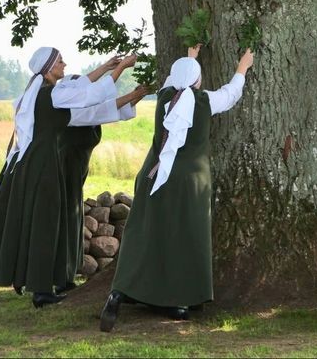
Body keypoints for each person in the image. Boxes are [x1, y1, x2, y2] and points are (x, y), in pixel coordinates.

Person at [0, 48, 136, 313]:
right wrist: (121, 68)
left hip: (23, 165)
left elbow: (80, 88)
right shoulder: (52, 95)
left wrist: (106, 67)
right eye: (60, 61)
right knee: (44, 223)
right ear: (49, 68)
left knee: (5, 224)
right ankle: (40, 291)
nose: (64, 64)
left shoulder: (39, 94)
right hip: (41, 166)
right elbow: (88, 94)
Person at [99, 44, 255, 332]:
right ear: (197, 80)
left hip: (153, 176)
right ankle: (178, 301)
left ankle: (121, 291)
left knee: (145, 233)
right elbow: (231, 93)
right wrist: (242, 67)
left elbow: (177, 79)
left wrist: (189, 59)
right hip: (188, 180)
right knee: (183, 236)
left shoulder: (164, 97)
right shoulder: (204, 101)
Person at [55, 69, 152, 295]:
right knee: (65, 220)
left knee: (73, 218)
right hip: (64, 168)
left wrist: (138, 95)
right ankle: (60, 277)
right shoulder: (71, 111)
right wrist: (132, 91)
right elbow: (102, 110)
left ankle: (66, 274)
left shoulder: (85, 110)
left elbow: (110, 111)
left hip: (76, 169)